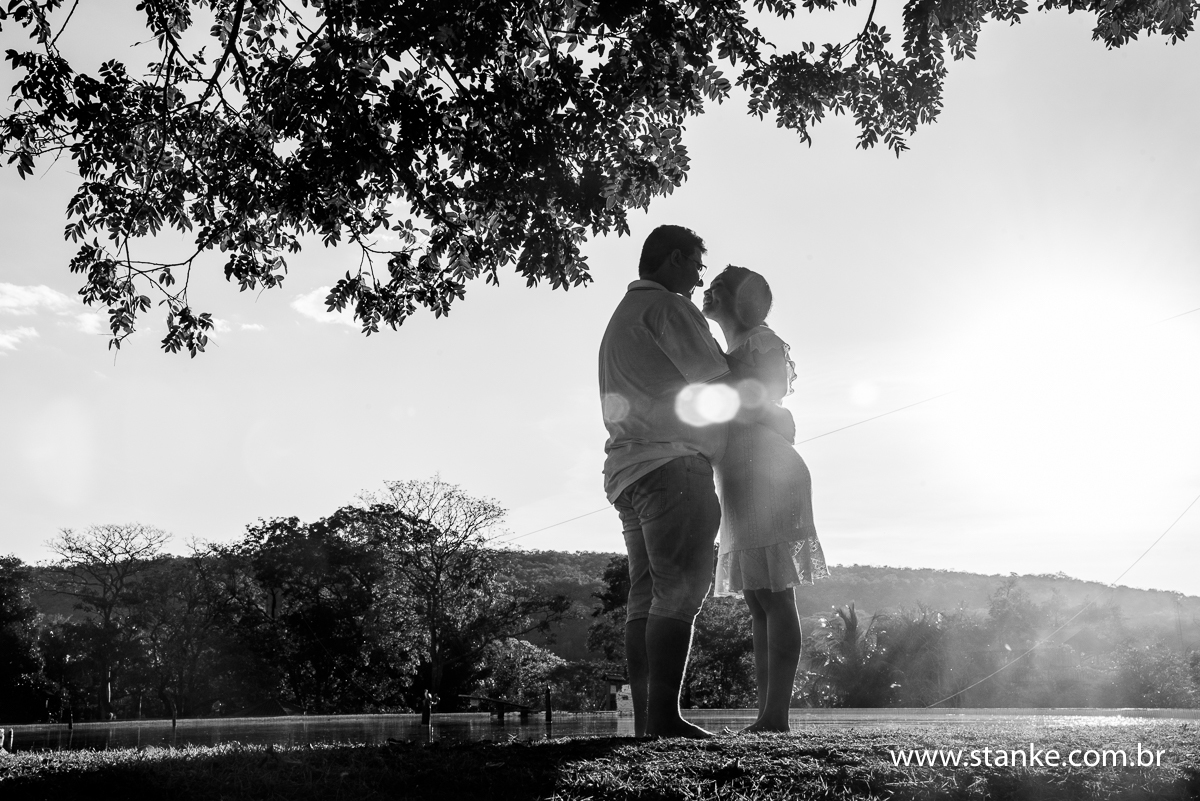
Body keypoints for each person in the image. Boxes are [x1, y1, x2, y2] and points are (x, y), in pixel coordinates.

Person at [598, 226, 794, 739]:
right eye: (695, 265)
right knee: (679, 595)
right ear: (676, 258)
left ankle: (647, 722)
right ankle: (664, 719)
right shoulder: (669, 309)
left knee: (646, 598)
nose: (700, 278)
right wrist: (767, 401)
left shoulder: (623, 316)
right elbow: (716, 383)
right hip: (672, 467)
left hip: (625, 471)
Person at [701, 265, 829, 733]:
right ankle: (765, 715)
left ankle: (777, 716)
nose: (705, 293)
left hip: (769, 472)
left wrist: (721, 384)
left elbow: (766, 395)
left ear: (739, 300)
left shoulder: (760, 341)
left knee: (776, 594)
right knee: (757, 599)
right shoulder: (731, 349)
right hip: (738, 476)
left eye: (716, 288)